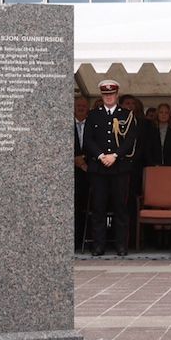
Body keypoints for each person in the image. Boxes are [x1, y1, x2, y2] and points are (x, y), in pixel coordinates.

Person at [83, 79, 137, 256]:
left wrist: (114, 155)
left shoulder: (126, 115)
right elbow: (88, 140)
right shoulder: (93, 115)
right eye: (105, 94)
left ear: (117, 94)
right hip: (98, 168)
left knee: (120, 207)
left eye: (111, 94)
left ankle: (121, 246)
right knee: (98, 208)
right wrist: (101, 156)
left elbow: (130, 140)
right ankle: (99, 246)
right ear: (101, 95)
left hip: (119, 167)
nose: (108, 97)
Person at [73, 95, 91, 251]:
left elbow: (99, 145)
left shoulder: (93, 125)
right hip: (70, 174)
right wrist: (74, 159)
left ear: (88, 108)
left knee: (86, 208)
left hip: (88, 173)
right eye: (78, 105)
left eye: (83, 106)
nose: (80, 108)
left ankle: (85, 240)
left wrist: (84, 160)